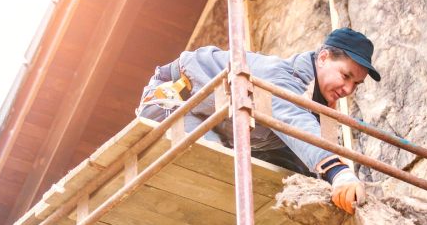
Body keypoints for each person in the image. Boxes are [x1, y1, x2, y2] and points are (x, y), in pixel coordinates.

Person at [136, 27, 380, 213]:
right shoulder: (284, 78)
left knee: (286, 179)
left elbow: (297, 154)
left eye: (356, 84)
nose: (348, 89)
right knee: (214, 170)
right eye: (345, 76)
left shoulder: (315, 105)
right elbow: (293, 120)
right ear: (324, 58)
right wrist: (338, 172)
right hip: (175, 99)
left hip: (218, 125)